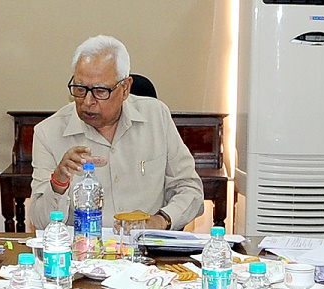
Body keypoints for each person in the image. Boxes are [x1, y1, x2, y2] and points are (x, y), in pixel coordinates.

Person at [27, 35, 203, 231]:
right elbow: (41, 223)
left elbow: (190, 189)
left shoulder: (157, 117)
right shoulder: (47, 133)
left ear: (125, 88)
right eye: (79, 89)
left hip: (144, 251)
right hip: (84, 253)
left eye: (100, 91)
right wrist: (58, 181)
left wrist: (161, 220)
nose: (87, 101)